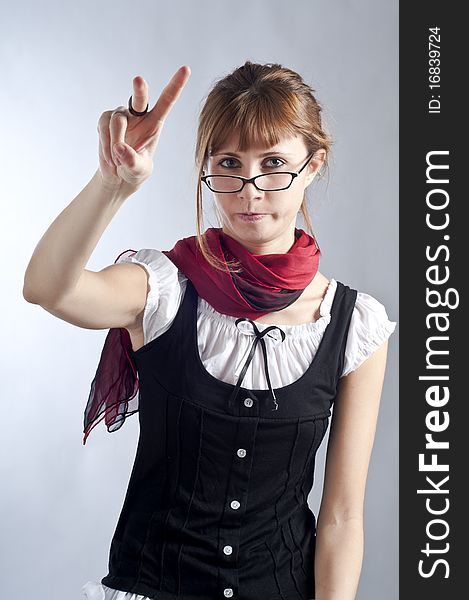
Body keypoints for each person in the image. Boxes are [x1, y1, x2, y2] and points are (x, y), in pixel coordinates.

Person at [23, 61, 397, 600]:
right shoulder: (163, 287)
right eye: (228, 162)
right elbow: (47, 288)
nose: (249, 189)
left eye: (273, 163)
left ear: (313, 166)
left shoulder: (353, 325)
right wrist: (112, 184)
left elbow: (340, 516)